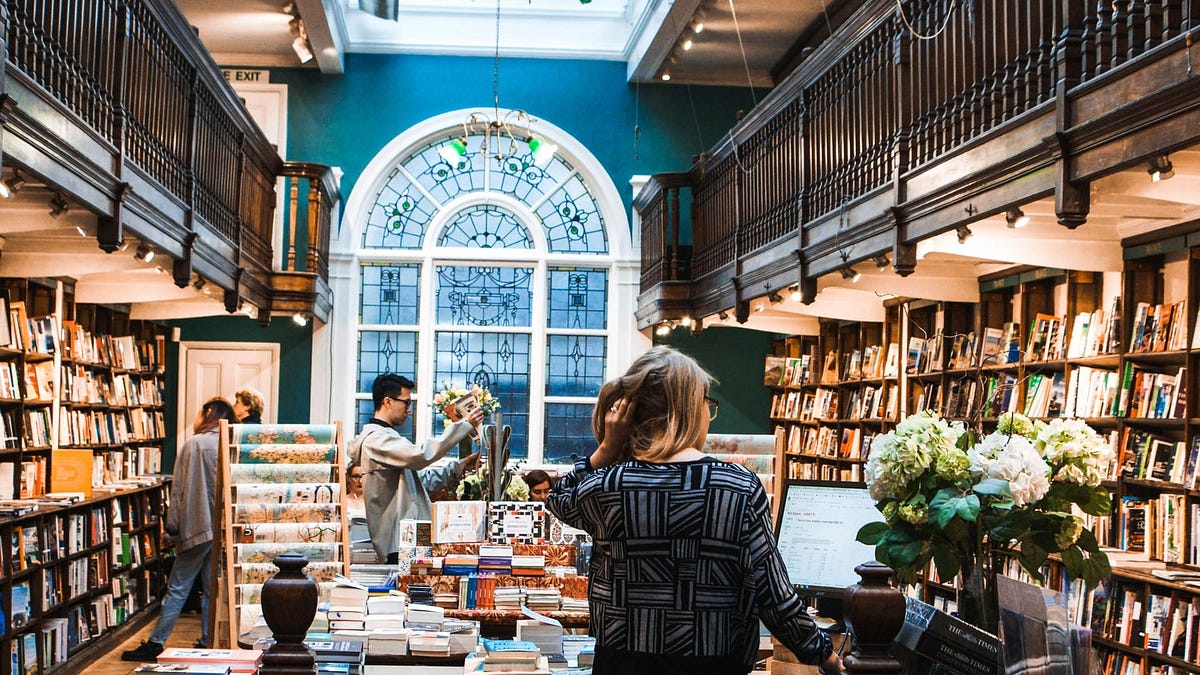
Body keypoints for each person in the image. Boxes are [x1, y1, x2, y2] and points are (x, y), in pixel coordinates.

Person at [545, 346, 844, 675]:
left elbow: (558, 496)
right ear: (690, 410)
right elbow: (773, 595)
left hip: (623, 664)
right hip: (715, 664)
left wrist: (606, 448)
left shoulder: (610, 486)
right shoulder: (737, 488)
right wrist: (824, 655)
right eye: (707, 404)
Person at [122, 397, 237, 661]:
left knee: (178, 586)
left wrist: (171, 528)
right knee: (212, 589)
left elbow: (180, 491)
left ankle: (156, 642)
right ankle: (208, 641)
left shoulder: (194, 445)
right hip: (221, 530)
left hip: (197, 527)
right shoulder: (230, 443)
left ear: (208, 414)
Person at [348, 373, 483, 563]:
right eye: (406, 403)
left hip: (410, 535)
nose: (409, 410)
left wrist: (461, 466)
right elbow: (421, 455)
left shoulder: (387, 437)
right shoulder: (376, 440)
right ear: (387, 401)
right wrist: (464, 426)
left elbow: (420, 481)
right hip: (399, 539)